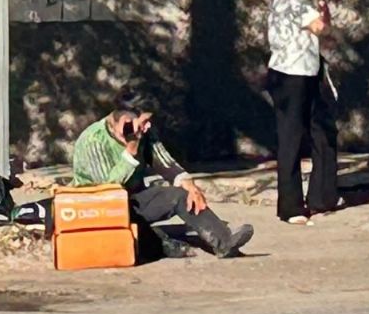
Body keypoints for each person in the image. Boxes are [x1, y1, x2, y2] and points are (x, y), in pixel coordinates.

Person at [71, 91, 253, 258]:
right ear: (126, 120)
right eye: (144, 121)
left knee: (181, 195)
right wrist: (130, 152)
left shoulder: (145, 133)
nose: (148, 125)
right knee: (147, 242)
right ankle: (159, 241)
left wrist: (188, 184)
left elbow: (165, 162)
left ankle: (224, 242)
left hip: (134, 201)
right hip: (98, 210)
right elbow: (107, 190)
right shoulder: (93, 140)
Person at [266, 0, 339, 226]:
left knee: (318, 130)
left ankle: (320, 196)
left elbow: (320, 27)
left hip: (304, 72)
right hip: (291, 74)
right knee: (292, 138)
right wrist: (322, 0)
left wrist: (321, 2)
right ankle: (291, 206)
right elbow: (321, 28)